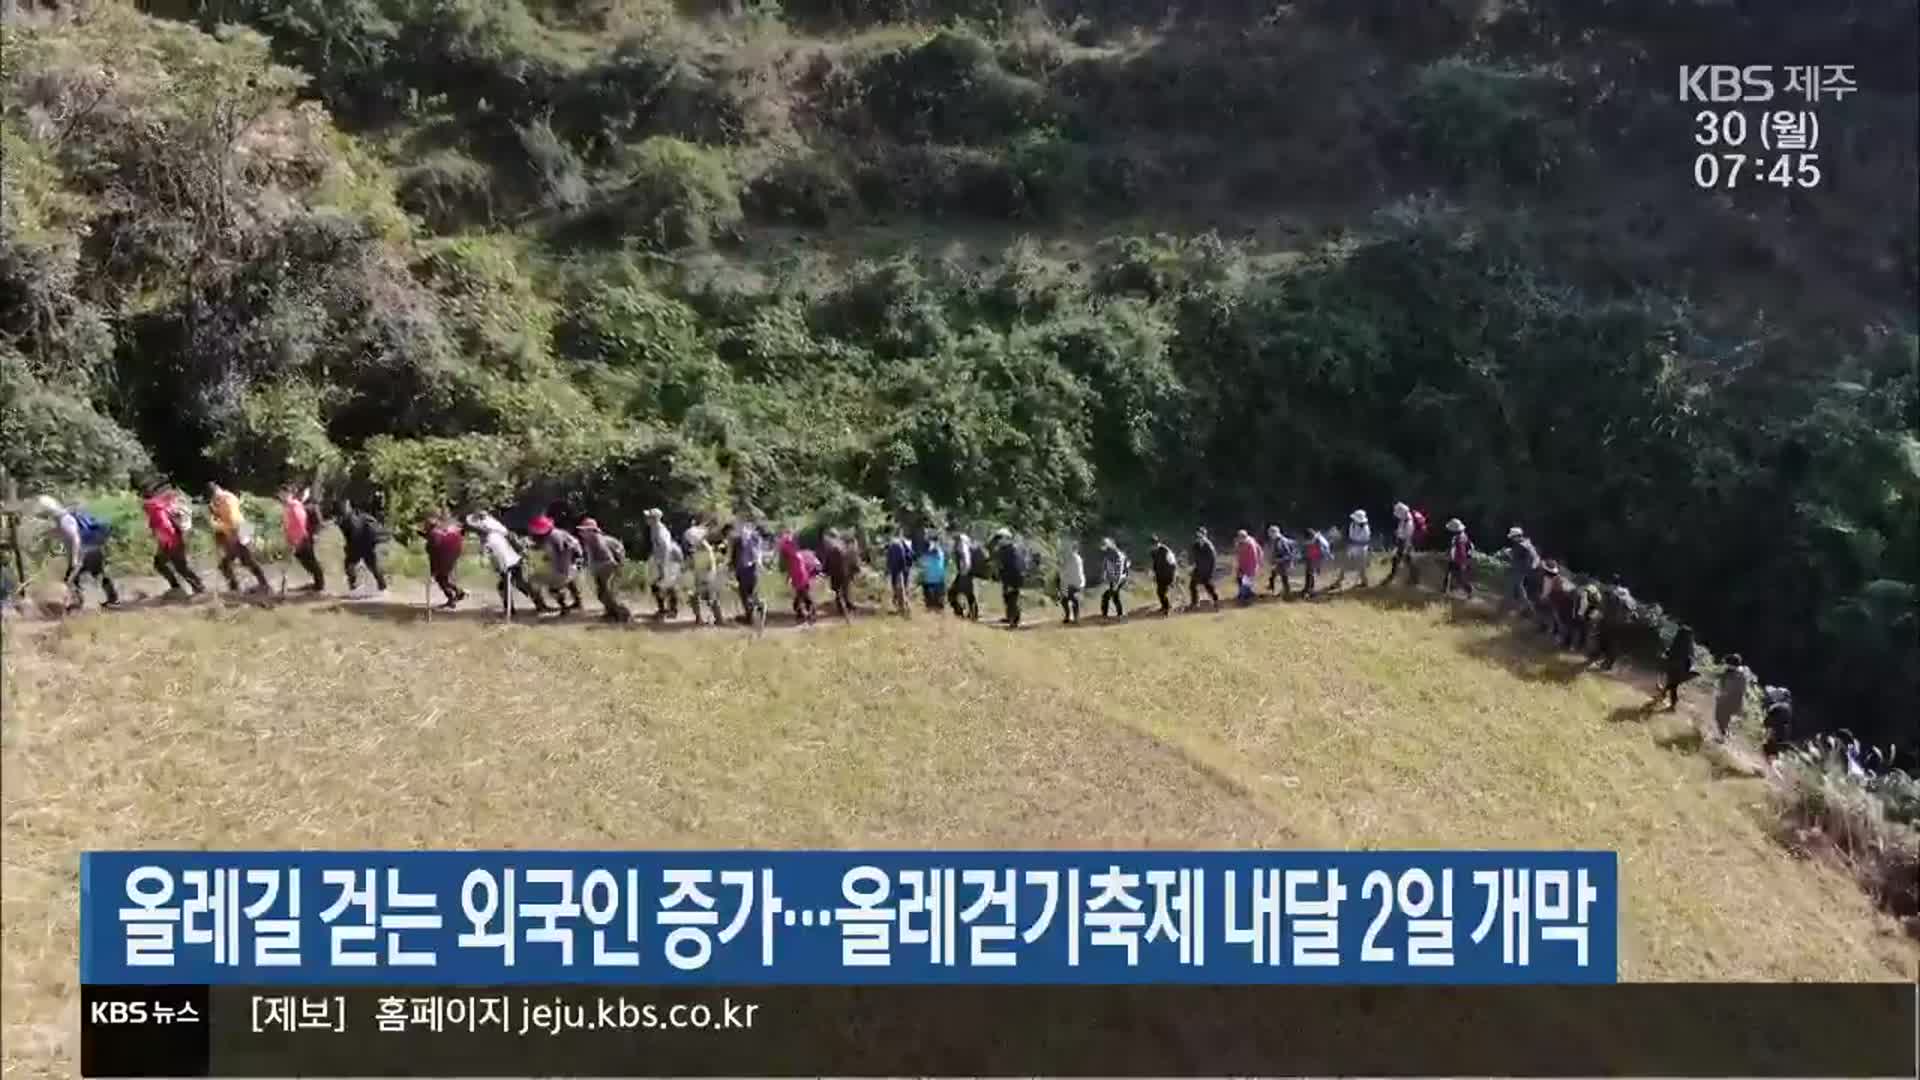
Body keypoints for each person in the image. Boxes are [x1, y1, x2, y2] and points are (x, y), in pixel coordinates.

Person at [33, 495, 119, 610]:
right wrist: (44, 535)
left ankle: (75, 604)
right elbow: (61, 533)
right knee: (97, 573)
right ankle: (112, 598)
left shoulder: (64, 520)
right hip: (93, 549)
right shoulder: (63, 518)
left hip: (84, 552)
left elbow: (75, 538)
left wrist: (74, 559)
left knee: (71, 579)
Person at [465, 511, 545, 616]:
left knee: (508, 586)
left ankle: (512, 610)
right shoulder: (496, 531)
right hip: (513, 561)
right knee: (519, 584)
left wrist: (486, 558)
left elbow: (494, 555)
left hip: (508, 563)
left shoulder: (490, 537)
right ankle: (538, 604)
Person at [140, 483, 206, 598]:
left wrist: (165, 544)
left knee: (177, 567)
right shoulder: (158, 506)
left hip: (172, 543)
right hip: (173, 541)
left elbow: (165, 528)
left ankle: (194, 588)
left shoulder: (155, 510)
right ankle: (189, 587)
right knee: (170, 565)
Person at [206, 482, 271, 595]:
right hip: (243, 528)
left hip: (239, 530)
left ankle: (261, 585)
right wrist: (216, 513)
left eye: (214, 496)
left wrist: (216, 525)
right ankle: (240, 586)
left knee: (246, 560)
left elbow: (232, 520)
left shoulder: (225, 500)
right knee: (234, 562)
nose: (214, 499)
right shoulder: (226, 497)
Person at [576, 518, 631, 622]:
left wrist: (597, 571)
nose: (581, 533)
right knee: (602, 594)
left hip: (610, 568)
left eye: (584, 530)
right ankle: (611, 612)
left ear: (592, 531)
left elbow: (610, 561)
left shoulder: (598, 542)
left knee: (608, 593)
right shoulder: (589, 541)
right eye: (582, 530)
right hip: (603, 568)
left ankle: (623, 614)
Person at [527, 514, 584, 614]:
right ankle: (577, 602)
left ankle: (558, 607)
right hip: (572, 565)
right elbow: (574, 547)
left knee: (535, 581)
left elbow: (560, 552)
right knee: (568, 580)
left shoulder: (553, 538)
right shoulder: (558, 533)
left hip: (562, 569)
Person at [335, 499, 391, 596]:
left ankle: (354, 588)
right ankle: (382, 588)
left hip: (360, 543)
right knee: (372, 565)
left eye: (344, 505)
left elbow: (354, 535)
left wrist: (349, 549)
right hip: (368, 542)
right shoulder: (357, 515)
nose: (343, 508)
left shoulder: (349, 519)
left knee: (349, 565)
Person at [277, 486, 325, 592]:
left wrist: (297, 540)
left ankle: (320, 586)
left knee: (310, 562)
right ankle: (318, 584)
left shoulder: (294, 506)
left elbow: (300, 524)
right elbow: (286, 525)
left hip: (301, 540)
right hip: (295, 540)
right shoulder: (287, 507)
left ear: (289, 494)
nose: (281, 496)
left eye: (283, 494)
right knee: (305, 562)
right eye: (280, 494)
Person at [421, 511, 468, 610]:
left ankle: (454, 596)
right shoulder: (443, 529)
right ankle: (457, 593)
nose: (424, 526)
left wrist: (433, 571)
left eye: (426, 525)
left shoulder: (434, 534)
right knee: (443, 578)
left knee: (441, 579)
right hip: (451, 555)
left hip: (443, 557)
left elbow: (432, 550)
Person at [642, 509, 682, 620]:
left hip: (669, 559)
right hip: (665, 558)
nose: (646, 519)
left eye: (648, 517)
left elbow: (665, 547)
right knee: (663, 584)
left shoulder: (659, 530)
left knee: (663, 584)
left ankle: (667, 611)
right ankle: (668, 610)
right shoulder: (655, 528)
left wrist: (662, 566)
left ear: (654, 519)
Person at [1591, 577, 1634, 670]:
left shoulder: (1609, 592)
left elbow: (1602, 607)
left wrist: (1596, 617)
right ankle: (1608, 664)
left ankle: (1597, 659)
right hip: (1623, 624)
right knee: (1614, 644)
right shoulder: (1628, 596)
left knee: (1601, 639)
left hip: (1609, 622)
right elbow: (1631, 610)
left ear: (1611, 583)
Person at [685, 525, 724, 626]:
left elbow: (710, 566)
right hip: (700, 577)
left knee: (711, 599)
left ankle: (719, 619)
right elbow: (694, 563)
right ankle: (700, 619)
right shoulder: (695, 549)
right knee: (695, 597)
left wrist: (705, 580)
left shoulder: (706, 549)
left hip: (707, 578)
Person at [726, 518, 764, 624]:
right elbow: (733, 556)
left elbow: (733, 556)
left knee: (745, 594)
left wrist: (730, 568)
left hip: (746, 569)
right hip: (747, 569)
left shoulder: (745, 540)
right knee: (749, 593)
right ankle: (755, 610)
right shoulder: (751, 539)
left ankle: (751, 615)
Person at [1713, 653, 1753, 742]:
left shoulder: (1735, 674)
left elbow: (1727, 687)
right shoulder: (1741, 674)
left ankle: (1723, 737)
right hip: (1735, 701)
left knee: (1719, 717)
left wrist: (1721, 695)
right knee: (1723, 718)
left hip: (1729, 700)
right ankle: (1724, 736)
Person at [1659, 623, 1698, 711]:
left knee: (1672, 684)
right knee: (1673, 685)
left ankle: (1665, 697)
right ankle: (1666, 699)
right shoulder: (1688, 643)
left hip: (1673, 665)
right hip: (1682, 667)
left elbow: (1670, 651)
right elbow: (1691, 655)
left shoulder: (1677, 640)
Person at [1502, 526, 1540, 617]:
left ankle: (1525, 609)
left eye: (1512, 537)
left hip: (1520, 571)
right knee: (1518, 589)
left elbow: (1514, 557)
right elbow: (1535, 557)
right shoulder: (1527, 543)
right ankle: (1522, 609)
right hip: (1526, 570)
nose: (1511, 539)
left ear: (1517, 536)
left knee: (1515, 589)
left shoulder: (1521, 546)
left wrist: (1507, 553)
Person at [780, 529, 816, 624]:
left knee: (804, 597)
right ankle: (805, 615)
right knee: (802, 596)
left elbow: (784, 546)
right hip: (801, 577)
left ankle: (809, 615)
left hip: (800, 578)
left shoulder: (793, 555)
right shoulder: (794, 554)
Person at [991, 528, 1025, 627]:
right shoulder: (1007, 549)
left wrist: (1011, 581)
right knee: (1008, 597)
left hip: (1013, 577)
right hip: (1010, 577)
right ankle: (1011, 617)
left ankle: (1014, 620)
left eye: (999, 538)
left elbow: (1014, 566)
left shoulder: (1010, 549)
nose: (998, 541)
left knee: (1012, 599)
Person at [822, 528, 859, 618]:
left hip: (837, 572)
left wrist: (825, 571)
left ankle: (842, 608)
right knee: (845, 589)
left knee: (838, 591)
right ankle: (848, 604)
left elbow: (828, 561)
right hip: (845, 571)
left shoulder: (832, 547)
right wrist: (854, 568)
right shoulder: (842, 545)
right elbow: (850, 557)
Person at [1385, 502, 1424, 586]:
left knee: (1401, 560)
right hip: (1404, 543)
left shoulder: (1409, 522)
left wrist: (1404, 548)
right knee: (1405, 560)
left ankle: (1393, 578)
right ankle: (1413, 579)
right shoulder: (1406, 519)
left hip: (1406, 544)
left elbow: (1406, 537)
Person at [1334, 510, 1371, 589]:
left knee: (1361, 569)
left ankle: (1365, 582)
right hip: (1352, 549)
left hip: (1361, 551)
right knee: (1344, 564)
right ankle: (1339, 580)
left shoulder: (1365, 529)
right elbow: (1350, 535)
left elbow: (1365, 542)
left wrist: (1352, 542)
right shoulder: (1352, 524)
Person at [949, 531, 980, 620]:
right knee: (968, 594)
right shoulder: (965, 543)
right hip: (966, 573)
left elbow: (966, 559)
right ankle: (972, 614)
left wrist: (963, 572)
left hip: (965, 573)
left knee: (952, 593)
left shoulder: (962, 544)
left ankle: (962, 613)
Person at [1188, 527, 1219, 610]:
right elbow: (1193, 557)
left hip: (1207, 570)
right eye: (1198, 536)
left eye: (1201, 536)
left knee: (1208, 586)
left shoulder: (1209, 546)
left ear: (1205, 536)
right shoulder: (1196, 545)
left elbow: (1213, 560)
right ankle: (1195, 603)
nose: (1199, 538)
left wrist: (1211, 572)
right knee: (1192, 586)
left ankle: (1216, 600)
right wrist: (1191, 566)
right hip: (1198, 569)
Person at [884, 528, 914, 616]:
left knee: (899, 590)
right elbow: (906, 558)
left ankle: (904, 609)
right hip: (902, 570)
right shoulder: (904, 544)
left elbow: (890, 559)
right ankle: (903, 608)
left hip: (897, 571)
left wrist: (888, 569)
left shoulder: (894, 545)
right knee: (902, 589)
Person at [1098, 538, 1130, 619]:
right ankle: (1119, 614)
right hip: (1115, 578)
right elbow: (1105, 563)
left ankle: (1107, 615)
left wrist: (1117, 583)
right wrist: (1104, 573)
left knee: (1108, 596)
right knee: (1114, 596)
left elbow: (1119, 569)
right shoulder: (1110, 552)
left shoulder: (1116, 554)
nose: (1102, 548)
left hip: (1120, 578)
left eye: (1103, 545)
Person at [1441, 518, 1472, 597]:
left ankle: (1469, 591)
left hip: (1457, 560)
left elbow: (1457, 550)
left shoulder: (1456, 538)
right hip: (1461, 560)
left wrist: (1457, 561)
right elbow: (1469, 547)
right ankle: (1445, 590)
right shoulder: (1464, 535)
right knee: (1450, 574)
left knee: (1459, 578)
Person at [1056, 538, 1085, 624]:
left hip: (1073, 582)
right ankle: (1072, 617)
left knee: (1069, 599)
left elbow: (1064, 568)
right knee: (1070, 599)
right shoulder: (1077, 557)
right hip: (1077, 582)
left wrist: (1059, 564)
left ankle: (1071, 617)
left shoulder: (1072, 557)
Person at [1760, 686, 1795, 755]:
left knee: (1768, 750)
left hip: (1775, 733)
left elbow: (1770, 717)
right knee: (1771, 752)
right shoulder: (1788, 707)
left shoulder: (1779, 705)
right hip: (1782, 734)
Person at [918, 532, 948, 612]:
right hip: (932, 581)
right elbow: (922, 563)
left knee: (936, 604)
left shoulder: (937, 551)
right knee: (932, 604)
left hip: (935, 581)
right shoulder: (939, 552)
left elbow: (922, 563)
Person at [1148, 535, 1177, 616]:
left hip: (1168, 575)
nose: (1153, 546)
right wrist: (1153, 572)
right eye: (1152, 545)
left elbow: (1173, 564)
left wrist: (1173, 576)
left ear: (1158, 543)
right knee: (1159, 592)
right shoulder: (1153, 552)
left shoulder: (1166, 551)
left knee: (1162, 593)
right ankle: (1164, 606)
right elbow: (1155, 563)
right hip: (1159, 575)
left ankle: (1167, 608)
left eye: (1154, 544)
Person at [1266, 526, 1297, 599]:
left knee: (1284, 578)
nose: (1269, 535)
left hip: (1283, 563)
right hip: (1279, 562)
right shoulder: (1276, 540)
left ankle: (1287, 593)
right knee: (1273, 575)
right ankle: (1274, 588)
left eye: (1270, 533)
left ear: (1275, 533)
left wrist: (1278, 560)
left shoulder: (1282, 541)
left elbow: (1288, 555)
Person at [1232, 528, 1261, 605]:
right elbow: (1237, 552)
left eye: (1240, 538)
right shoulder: (1240, 543)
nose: (1239, 539)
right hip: (1242, 565)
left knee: (1245, 582)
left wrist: (1250, 570)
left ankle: (1244, 598)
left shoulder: (1250, 544)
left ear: (1244, 537)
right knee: (1239, 579)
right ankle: (1247, 594)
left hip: (1250, 566)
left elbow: (1254, 558)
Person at [1303, 527, 1331, 599]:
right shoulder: (1311, 539)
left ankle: (1311, 590)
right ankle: (1307, 588)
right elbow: (1306, 547)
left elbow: (1325, 553)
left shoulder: (1320, 541)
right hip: (1310, 557)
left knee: (1312, 573)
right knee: (1308, 572)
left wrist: (1319, 564)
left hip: (1317, 558)